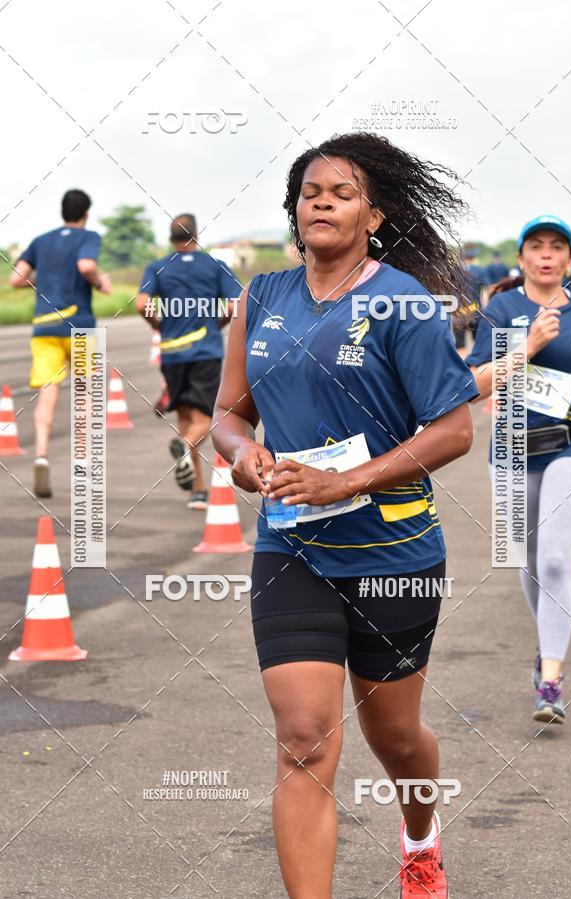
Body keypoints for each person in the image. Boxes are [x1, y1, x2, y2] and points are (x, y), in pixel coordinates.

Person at [212, 132, 480, 898]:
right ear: (295, 214)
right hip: (292, 550)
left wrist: (350, 479)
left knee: (394, 736)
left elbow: (454, 429)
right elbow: (230, 415)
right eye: (309, 192)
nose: (321, 199)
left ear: (373, 214)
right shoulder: (261, 297)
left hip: (393, 554)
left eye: (341, 191)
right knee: (302, 739)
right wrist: (242, 454)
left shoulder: (400, 301)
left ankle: (421, 832)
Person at [466, 214, 571, 724]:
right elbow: (476, 381)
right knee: (526, 558)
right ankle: (546, 645)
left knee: (556, 561)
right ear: (521, 257)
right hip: (514, 445)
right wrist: (529, 346)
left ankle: (551, 679)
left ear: (569, 258)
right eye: (536, 246)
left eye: (557, 246)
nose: (547, 254)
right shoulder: (502, 308)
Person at [9, 189, 111, 497]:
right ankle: (82, 466)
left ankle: (41, 455)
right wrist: (99, 282)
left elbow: (16, 278)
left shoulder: (41, 241)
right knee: (84, 395)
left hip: (44, 327)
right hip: (79, 326)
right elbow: (86, 266)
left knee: (47, 392)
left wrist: (44, 280)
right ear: (86, 214)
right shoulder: (88, 237)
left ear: (62, 211)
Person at [136, 214, 239, 510]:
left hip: (171, 353)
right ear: (195, 236)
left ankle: (197, 490)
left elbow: (142, 304)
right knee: (207, 418)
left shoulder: (157, 267)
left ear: (171, 239)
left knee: (186, 418)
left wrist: (157, 325)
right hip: (205, 351)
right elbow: (234, 305)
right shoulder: (215, 266)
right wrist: (215, 325)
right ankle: (184, 451)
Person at [451, 244, 486, 357]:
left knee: (460, 346)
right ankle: (477, 370)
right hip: (475, 311)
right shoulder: (479, 271)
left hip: (458, 313)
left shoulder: (453, 270)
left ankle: (463, 370)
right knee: (478, 344)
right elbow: (485, 292)